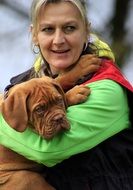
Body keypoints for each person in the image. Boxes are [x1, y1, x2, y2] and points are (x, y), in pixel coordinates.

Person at [0, 0, 133, 189]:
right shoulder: (25, 84)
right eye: (48, 29)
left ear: (86, 31)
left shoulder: (108, 89)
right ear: (34, 35)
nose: (58, 40)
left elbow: (47, 151)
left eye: (69, 28)